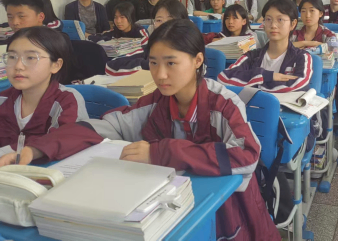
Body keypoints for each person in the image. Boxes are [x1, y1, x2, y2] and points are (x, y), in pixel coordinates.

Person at [10, 20, 281, 241]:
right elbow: (103, 127)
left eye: (171, 63)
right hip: (166, 204)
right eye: (153, 63)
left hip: (226, 208)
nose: (160, 74)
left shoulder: (222, 104)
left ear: (198, 60)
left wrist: (160, 152)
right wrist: (37, 148)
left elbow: (247, 154)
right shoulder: (155, 103)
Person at [0, 26, 89, 166]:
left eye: (30, 58)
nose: (18, 66)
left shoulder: (67, 101)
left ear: (56, 65)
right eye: (12, 57)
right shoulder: (3, 100)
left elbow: (67, 139)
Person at [218, 0, 313, 93]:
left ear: (293, 24)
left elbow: (300, 84)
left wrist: (254, 86)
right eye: (268, 19)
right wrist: (265, 75)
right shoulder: (252, 56)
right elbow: (223, 77)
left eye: (280, 20)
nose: (273, 25)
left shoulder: (301, 57)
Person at [105, 0, 189, 77]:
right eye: (159, 20)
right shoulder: (152, 48)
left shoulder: (189, 49)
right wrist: (148, 64)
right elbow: (111, 66)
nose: (164, 25)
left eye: (170, 20)